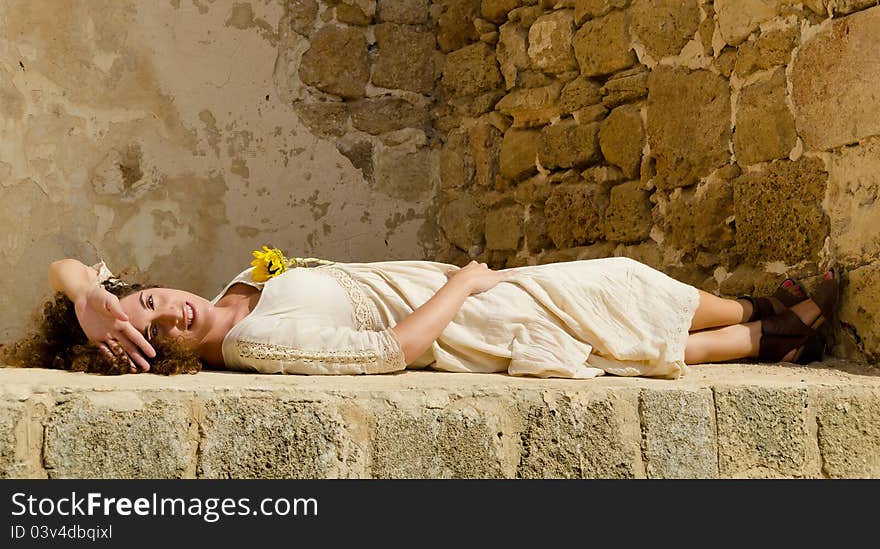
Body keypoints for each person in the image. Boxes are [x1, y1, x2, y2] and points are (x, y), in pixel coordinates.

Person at [3, 251, 837, 379]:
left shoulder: (228, 293)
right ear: (170, 357)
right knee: (615, 298)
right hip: (462, 317)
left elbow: (71, 264)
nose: (170, 311)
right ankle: (768, 325)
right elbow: (391, 352)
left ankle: (773, 323)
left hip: (458, 288)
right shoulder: (254, 340)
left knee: (615, 306)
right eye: (161, 329)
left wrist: (91, 302)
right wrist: (466, 286)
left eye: (150, 299)